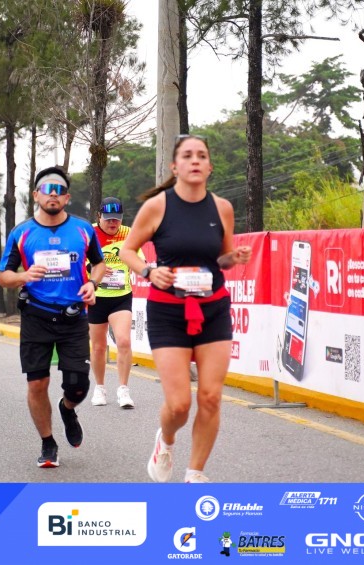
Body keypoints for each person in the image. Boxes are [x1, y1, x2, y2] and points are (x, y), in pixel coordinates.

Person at [119, 134, 251, 483]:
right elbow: (127, 251)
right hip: (168, 312)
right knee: (179, 405)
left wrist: (234, 257)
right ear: (175, 166)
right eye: (188, 155)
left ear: (209, 167)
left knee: (210, 397)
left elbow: (222, 259)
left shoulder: (222, 208)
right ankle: (165, 440)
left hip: (213, 309)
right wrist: (149, 271)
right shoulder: (157, 207)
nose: (195, 160)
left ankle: (195, 473)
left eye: (202, 155)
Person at [0, 166, 106, 468]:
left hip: (73, 317)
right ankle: (48, 443)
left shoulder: (83, 229)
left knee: (78, 385)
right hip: (37, 316)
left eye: (60, 190)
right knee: (37, 384)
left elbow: (99, 264)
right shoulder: (22, 233)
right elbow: (4, 276)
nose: (53, 194)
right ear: (36, 195)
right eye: (48, 188)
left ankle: (67, 408)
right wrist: (24, 276)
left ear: (67, 197)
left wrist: (92, 283)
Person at [88, 196, 138, 409]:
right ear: (99, 216)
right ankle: (99, 388)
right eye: (108, 218)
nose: (112, 223)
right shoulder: (89, 233)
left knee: (124, 341)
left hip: (121, 296)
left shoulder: (128, 233)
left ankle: (123, 390)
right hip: (97, 297)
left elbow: (138, 259)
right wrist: (93, 269)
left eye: (117, 218)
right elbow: (77, 261)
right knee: (99, 347)